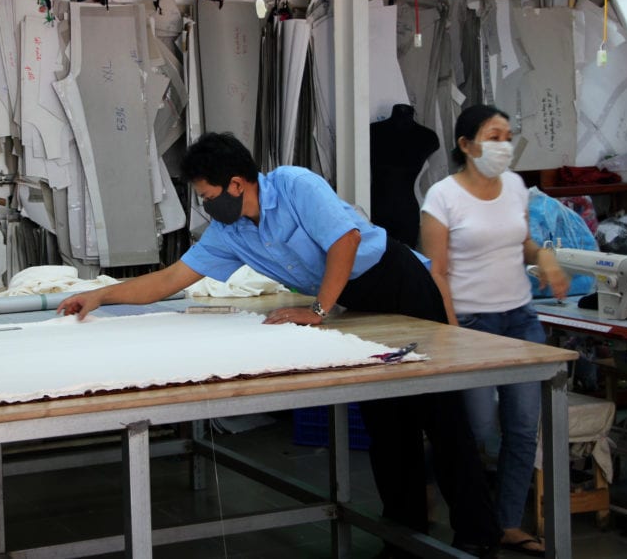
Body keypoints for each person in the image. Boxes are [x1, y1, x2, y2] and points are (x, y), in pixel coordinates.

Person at [58, 131, 501, 557]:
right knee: (385, 421)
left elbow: (345, 241)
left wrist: (319, 312)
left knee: (440, 414)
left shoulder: (295, 184)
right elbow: (171, 279)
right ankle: (404, 537)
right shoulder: (230, 233)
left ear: (236, 183)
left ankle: (478, 534)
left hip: (399, 284)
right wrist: (101, 294)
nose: (208, 206)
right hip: (354, 301)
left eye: (210, 196)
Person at [420, 105, 570, 558]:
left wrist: (542, 256)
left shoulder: (516, 187)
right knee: (477, 428)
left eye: (508, 135)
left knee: (524, 427)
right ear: (466, 145)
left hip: (520, 318)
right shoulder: (442, 197)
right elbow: (436, 272)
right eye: (493, 135)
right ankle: (424, 484)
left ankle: (504, 522)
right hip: (471, 323)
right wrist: (452, 332)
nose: (504, 144)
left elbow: (518, 238)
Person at [370, 103, 440, 247]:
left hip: (406, 213)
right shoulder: (372, 131)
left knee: (406, 264)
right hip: (375, 210)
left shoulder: (428, 137)